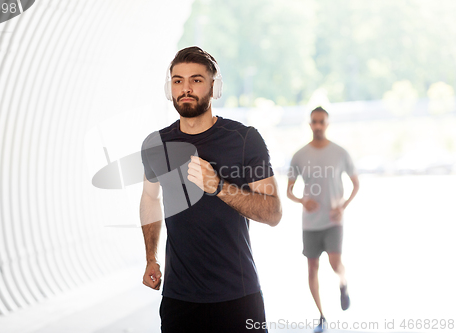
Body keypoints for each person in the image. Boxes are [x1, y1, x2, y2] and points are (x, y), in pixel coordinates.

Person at [139, 46, 282, 333]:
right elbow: (150, 198)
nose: (186, 88)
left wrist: (218, 186)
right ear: (170, 88)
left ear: (214, 87)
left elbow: (273, 212)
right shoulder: (156, 144)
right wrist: (151, 258)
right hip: (179, 300)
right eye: (178, 81)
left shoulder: (244, 140)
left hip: (237, 298)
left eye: (196, 80)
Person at [286, 107, 359, 333]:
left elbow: (356, 184)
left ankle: (343, 283)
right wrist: (301, 201)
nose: (318, 125)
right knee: (312, 268)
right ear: (310, 124)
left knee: (335, 263)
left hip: (333, 220)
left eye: (322, 122)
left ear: (327, 124)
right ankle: (321, 315)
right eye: (314, 122)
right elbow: (289, 191)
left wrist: (343, 206)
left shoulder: (340, 153)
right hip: (310, 223)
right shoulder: (299, 155)